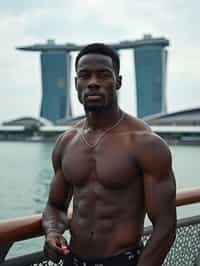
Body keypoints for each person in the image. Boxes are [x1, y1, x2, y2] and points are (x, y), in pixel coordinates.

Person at [42, 43, 177, 266]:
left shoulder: (145, 143)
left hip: (123, 261)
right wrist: (52, 231)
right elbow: (54, 206)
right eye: (84, 75)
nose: (93, 82)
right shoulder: (66, 142)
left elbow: (165, 226)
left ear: (118, 82)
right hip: (72, 260)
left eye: (103, 75)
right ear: (76, 83)